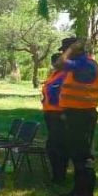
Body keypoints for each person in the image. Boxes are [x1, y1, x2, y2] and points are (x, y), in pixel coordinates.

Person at [55, 37, 98, 196]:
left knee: (83, 155)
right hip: (76, 116)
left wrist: (71, 50)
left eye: (65, 50)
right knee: (76, 154)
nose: (63, 53)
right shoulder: (79, 64)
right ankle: (77, 190)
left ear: (75, 50)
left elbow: (59, 64)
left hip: (83, 117)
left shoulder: (86, 65)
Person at [41, 53, 68, 184]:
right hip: (50, 114)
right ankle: (56, 174)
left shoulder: (66, 75)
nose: (54, 64)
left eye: (57, 62)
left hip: (60, 115)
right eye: (53, 62)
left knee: (58, 146)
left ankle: (60, 176)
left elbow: (65, 94)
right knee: (52, 146)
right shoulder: (54, 74)